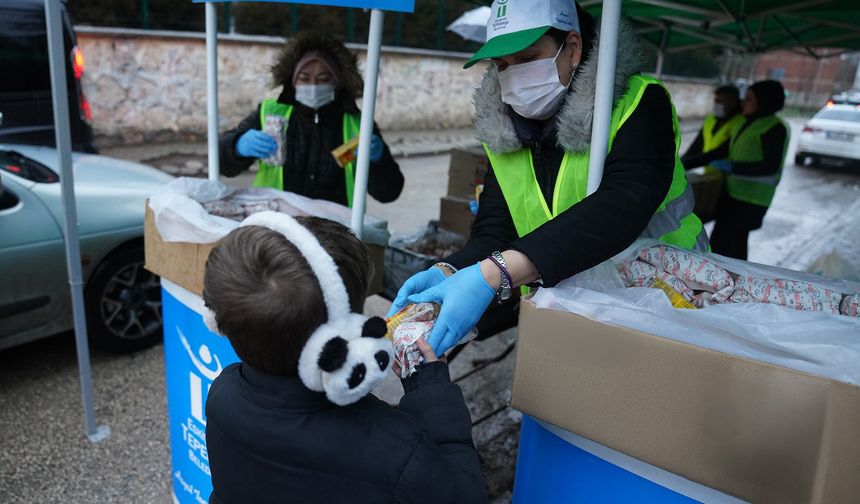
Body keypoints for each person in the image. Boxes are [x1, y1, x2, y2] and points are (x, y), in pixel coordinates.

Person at [389, 0, 707, 356]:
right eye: (502, 65)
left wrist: (495, 273)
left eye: (526, 59)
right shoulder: (504, 131)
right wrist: (452, 269)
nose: (513, 75)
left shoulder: (638, 103)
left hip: (662, 301)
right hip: (567, 308)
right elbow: (495, 229)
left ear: (572, 48)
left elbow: (623, 203)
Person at [202, 212, 487, 504]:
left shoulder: (222, 393)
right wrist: (431, 393)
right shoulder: (399, 449)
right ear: (345, 332)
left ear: (217, 319)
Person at [219, 32, 404, 207]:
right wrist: (237, 146)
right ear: (292, 80)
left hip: (335, 230)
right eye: (304, 78)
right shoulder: (269, 113)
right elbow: (222, 163)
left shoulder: (358, 125)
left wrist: (380, 161)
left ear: (338, 82)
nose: (313, 86)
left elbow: (389, 193)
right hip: (275, 226)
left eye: (324, 79)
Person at [705, 80, 790, 260]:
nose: (743, 102)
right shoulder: (746, 122)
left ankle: (728, 283)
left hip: (751, 200)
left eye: (749, 99)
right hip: (733, 195)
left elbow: (769, 166)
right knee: (723, 245)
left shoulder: (774, 127)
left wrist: (732, 167)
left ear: (764, 101)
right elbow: (722, 150)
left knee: (728, 249)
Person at [681, 84, 745, 175]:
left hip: (728, 176)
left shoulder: (741, 122)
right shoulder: (711, 119)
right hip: (710, 173)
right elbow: (697, 145)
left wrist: (687, 164)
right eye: (716, 101)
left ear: (733, 102)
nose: (717, 104)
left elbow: (721, 152)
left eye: (721, 101)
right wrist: (680, 163)